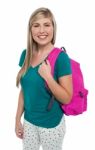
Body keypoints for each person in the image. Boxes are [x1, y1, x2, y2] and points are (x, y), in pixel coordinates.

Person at [15, 7, 73, 150]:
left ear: (53, 28)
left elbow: (66, 98)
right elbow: (25, 91)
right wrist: (17, 120)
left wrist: (48, 77)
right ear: (30, 30)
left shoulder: (61, 58)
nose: (41, 30)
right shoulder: (25, 55)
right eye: (36, 25)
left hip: (51, 125)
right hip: (29, 122)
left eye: (46, 25)